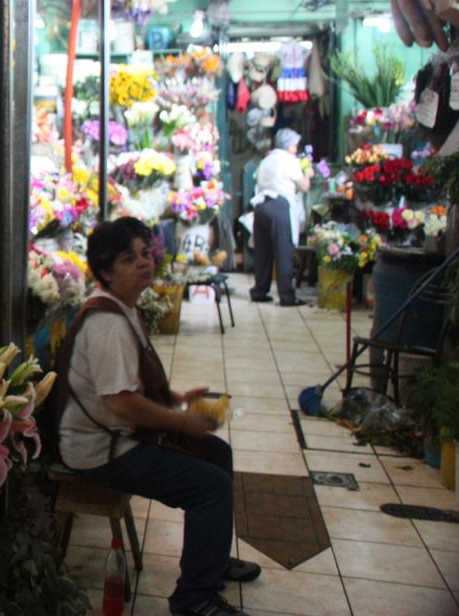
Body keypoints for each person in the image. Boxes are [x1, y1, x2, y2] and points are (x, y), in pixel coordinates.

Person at [53, 218, 259, 616]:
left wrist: (180, 400)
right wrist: (181, 421)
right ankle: (193, 597)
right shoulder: (108, 324)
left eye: (146, 253)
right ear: (107, 271)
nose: (144, 264)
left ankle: (211, 560)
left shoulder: (123, 308)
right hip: (101, 450)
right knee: (210, 486)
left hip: (119, 435)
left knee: (216, 453)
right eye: (130, 258)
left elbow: (127, 387)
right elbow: (123, 404)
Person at [248, 128, 312, 306]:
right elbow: (304, 186)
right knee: (284, 251)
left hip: (261, 207)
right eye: (295, 145)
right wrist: (308, 173)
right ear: (290, 145)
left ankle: (259, 291)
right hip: (279, 206)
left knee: (263, 251)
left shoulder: (266, 160)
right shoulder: (289, 160)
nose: (296, 148)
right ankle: (287, 296)